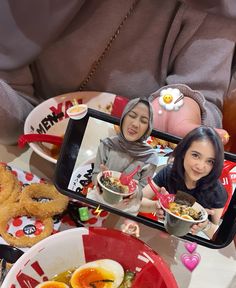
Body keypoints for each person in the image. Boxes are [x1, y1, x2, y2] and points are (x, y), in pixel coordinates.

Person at [0, 0, 235, 145]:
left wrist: (181, 111)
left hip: (136, 173)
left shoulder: (217, 7)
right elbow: (16, 116)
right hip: (24, 160)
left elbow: (203, 98)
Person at [140, 126, 228, 238]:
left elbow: (216, 236)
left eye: (210, 161)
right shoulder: (169, 173)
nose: (200, 166)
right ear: (183, 152)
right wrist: (156, 206)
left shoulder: (217, 192)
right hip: (163, 231)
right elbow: (138, 201)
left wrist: (205, 225)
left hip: (193, 241)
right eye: (195, 155)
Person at [87, 97, 158, 215]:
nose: (135, 124)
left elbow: (143, 191)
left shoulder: (150, 157)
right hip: (99, 199)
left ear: (148, 128)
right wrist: (101, 179)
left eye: (144, 121)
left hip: (127, 209)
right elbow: (95, 175)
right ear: (124, 117)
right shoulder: (107, 144)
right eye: (132, 115)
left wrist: (135, 192)